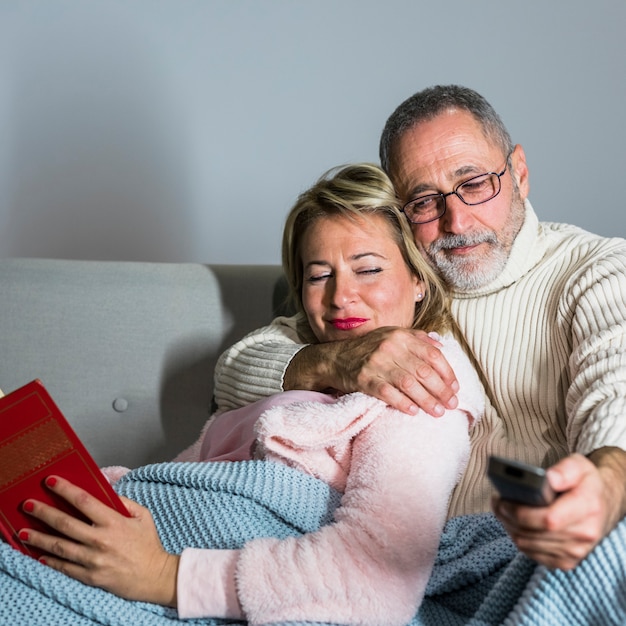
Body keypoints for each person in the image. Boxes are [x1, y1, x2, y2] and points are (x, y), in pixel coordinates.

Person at [18, 164, 484, 626]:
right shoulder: (296, 346)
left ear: (419, 279)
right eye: (320, 276)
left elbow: (376, 579)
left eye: (368, 269)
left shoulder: (425, 385)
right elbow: (223, 399)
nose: (341, 296)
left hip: (172, 574)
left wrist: (163, 574)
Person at [213, 84, 626, 571]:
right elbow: (233, 371)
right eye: (425, 200)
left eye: (474, 184)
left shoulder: (597, 271)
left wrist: (605, 484)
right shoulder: (394, 283)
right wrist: (337, 360)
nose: (456, 220)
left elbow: (615, 395)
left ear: (518, 172)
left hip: (543, 550)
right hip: (415, 560)